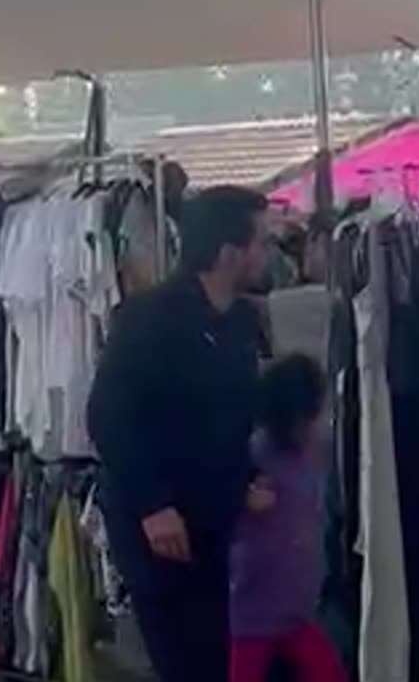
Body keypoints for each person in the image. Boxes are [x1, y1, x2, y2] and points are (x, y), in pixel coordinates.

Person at [87, 185, 271, 682]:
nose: (267, 253)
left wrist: (246, 478)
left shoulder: (240, 322)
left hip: (212, 519)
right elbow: (110, 416)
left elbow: (229, 415)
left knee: (209, 659)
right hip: (158, 524)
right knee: (183, 660)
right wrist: (153, 504)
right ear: (230, 252)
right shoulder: (149, 318)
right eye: (261, 242)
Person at [230, 353, 346, 682]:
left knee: (328, 672)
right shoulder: (255, 455)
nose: (320, 420)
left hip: (297, 606)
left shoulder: (314, 451)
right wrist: (244, 497)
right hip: (251, 606)